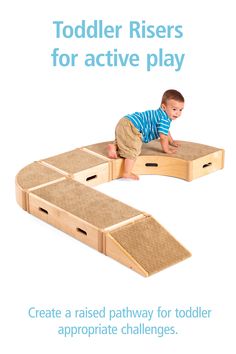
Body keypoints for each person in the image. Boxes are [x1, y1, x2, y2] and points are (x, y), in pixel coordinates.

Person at [107, 89, 184, 180]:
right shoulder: (164, 119)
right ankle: (126, 173)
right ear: (164, 107)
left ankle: (114, 146)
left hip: (126, 121)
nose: (178, 113)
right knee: (133, 149)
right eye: (174, 109)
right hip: (132, 126)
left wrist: (171, 141)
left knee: (125, 140)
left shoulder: (160, 114)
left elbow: (166, 131)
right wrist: (166, 150)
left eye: (180, 110)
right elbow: (163, 137)